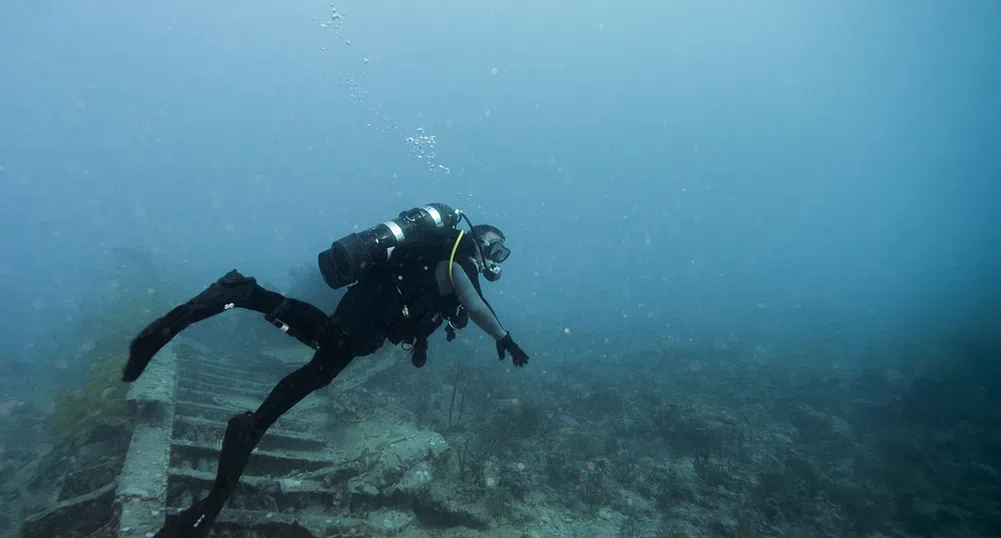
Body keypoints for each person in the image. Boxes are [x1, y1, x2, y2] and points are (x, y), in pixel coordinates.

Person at [121, 203, 530, 538]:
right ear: (479, 240)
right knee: (327, 348)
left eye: (501, 254)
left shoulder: (444, 257)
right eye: (496, 248)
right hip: (372, 311)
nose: (497, 258)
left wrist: (421, 340)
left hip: (373, 311)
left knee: (319, 368)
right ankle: (245, 294)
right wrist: (504, 337)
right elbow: (475, 306)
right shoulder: (460, 254)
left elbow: (430, 306)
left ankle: (251, 428)